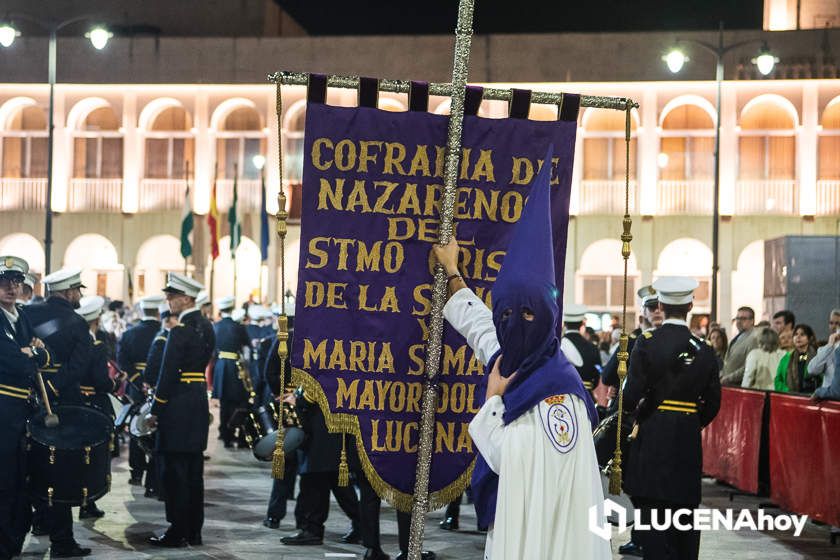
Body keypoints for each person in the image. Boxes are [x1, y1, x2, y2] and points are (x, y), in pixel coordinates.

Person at [433, 150, 610, 559]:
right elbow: (480, 325)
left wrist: (493, 401)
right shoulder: (514, 359)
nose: (516, 323)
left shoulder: (558, 393)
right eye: (508, 313)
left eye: (528, 313)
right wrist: (453, 270)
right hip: (511, 527)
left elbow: (510, 460)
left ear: (547, 318)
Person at [622, 276, 721, 560]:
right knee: (685, 513)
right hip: (687, 439)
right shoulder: (704, 349)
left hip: (652, 436)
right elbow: (713, 403)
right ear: (690, 305)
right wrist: (690, 420)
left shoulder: (647, 342)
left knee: (652, 514)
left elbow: (630, 398)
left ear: (661, 305)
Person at [23, 267, 93, 557]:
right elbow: (79, 367)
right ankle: (63, 540)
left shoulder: (27, 314)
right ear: (68, 292)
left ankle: (39, 521)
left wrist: (36, 388)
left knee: (34, 463)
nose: (79, 295)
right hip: (62, 404)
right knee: (60, 470)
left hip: (27, 399)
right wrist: (52, 388)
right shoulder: (77, 322)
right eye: (78, 290)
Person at [147, 273, 215, 547]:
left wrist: (155, 408)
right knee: (193, 471)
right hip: (197, 400)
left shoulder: (178, 331)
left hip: (176, 405)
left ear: (186, 299)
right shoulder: (208, 327)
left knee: (174, 472)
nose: (168, 301)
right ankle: (194, 531)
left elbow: (167, 374)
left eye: (172, 297)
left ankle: (177, 529)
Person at [0, 256, 50, 560]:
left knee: (20, 482)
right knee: (4, 482)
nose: (10, 287)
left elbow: (46, 355)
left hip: (22, 412)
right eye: (4, 282)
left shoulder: (23, 316)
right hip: (3, 409)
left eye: (16, 282)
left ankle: (12, 541)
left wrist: (31, 353)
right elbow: (11, 360)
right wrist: (30, 355)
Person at [75, 295, 119, 520]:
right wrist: (114, 383)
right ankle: (87, 501)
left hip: (74, 401)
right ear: (96, 319)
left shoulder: (73, 339)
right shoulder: (97, 346)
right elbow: (102, 381)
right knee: (93, 456)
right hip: (94, 404)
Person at [117, 295, 164, 487]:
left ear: (142, 311)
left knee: (136, 430)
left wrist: (137, 380)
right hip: (159, 386)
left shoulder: (129, 334)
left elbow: (122, 361)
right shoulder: (164, 333)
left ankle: (136, 473)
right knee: (155, 430)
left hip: (135, 388)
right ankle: (153, 479)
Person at [211, 296, 252, 448]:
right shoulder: (238, 326)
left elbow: (212, 350)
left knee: (224, 402)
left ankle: (225, 434)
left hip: (221, 366)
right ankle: (236, 431)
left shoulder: (216, 326)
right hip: (236, 366)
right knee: (237, 400)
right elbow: (247, 347)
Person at [561, 303, 601, 398]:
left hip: (566, 396)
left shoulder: (559, 345)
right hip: (587, 396)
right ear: (582, 324)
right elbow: (597, 373)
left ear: (565, 324)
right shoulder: (592, 347)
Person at [720, 306, 759, 386]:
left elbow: (749, 366)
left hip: (739, 385)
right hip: (728, 383)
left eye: (743, 318)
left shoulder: (754, 338)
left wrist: (729, 378)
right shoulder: (739, 335)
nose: (739, 321)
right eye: (737, 318)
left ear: (752, 321)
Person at [775, 324, 819, 393]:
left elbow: (823, 379)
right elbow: (778, 380)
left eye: (802, 334)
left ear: (810, 338)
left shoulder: (817, 357)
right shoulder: (787, 357)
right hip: (791, 397)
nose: (798, 337)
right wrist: (786, 390)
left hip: (812, 398)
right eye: (795, 334)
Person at [807, 309, 840, 397]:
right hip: (828, 400)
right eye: (831, 323)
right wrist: (829, 346)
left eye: (838, 324)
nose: (834, 327)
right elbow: (811, 370)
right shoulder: (824, 349)